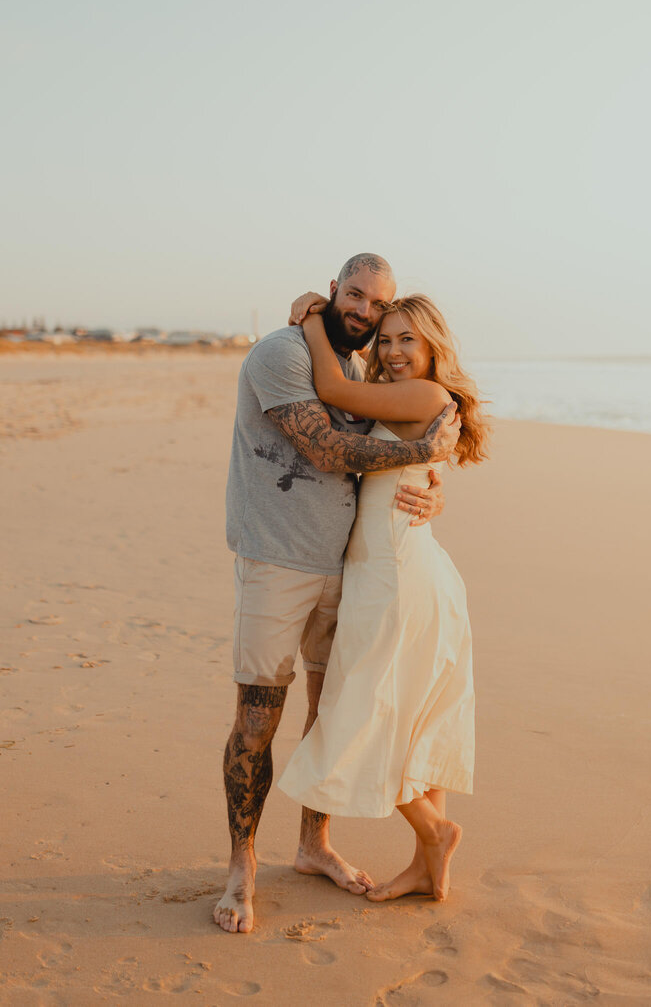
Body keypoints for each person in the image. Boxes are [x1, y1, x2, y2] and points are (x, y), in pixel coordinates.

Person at [215, 253, 461, 933]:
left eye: (381, 310)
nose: (368, 316)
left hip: (349, 570)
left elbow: (403, 438)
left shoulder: (363, 369)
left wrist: (435, 485)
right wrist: (423, 459)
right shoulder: (281, 354)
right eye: (354, 297)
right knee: (258, 720)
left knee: (330, 715)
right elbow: (328, 448)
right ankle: (242, 867)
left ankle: (312, 844)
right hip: (276, 561)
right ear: (332, 292)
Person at [278, 292, 489, 902]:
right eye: (387, 339)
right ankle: (428, 868)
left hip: (395, 578)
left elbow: (335, 392)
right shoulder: (421, 404)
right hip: (403, 570)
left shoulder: (424, 397)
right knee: (415, 715)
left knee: (368, 715)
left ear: (432, 348)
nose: (394, 352)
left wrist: (312, 321)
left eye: (408, 341)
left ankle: (434, 830)